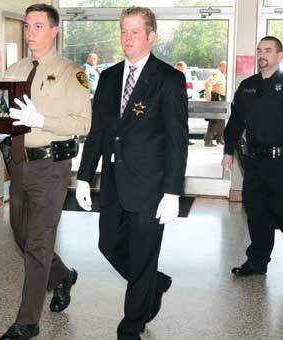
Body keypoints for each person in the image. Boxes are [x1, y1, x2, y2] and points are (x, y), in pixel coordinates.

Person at [75, 6, 188, 340]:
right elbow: (98, 132)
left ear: (151, 36)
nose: (127, 38)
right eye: (124, 31)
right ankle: (154, 282)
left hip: (151, 186)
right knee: (108, 244)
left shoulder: (168, 79)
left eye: (135, 32)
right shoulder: (109, 78)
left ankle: (132, 324)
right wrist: (83, 175)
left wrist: (172, 192)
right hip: (113, 181)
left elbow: (178, 141)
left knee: (142, 255)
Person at [0, 4, 92, 340]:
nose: (30, 32)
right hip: (19, 164)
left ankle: (27, 323)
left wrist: (42, 121)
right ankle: (62, 276)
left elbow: (84, 122)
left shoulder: (70, 73)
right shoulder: (15, 69)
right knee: (21, 236)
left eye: (38, 26)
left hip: (52, 167)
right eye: (27, 26)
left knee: (36, 244)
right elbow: (2, 111)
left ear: (54, 30)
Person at [221, 36, 283, 277]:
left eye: (268, 50)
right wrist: (228, 151)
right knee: (255, 210)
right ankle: (258, 261)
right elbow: (235, 122)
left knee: (281, 208)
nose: (262, 55)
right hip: (253, 161)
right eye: (259, 50)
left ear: (279, 56)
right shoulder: (247, 86)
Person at [204, 61, 227, 146]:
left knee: (220, 120)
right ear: (222, 67)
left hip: (220, 98)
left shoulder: (221, 74)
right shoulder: (217, 74)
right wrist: (209, 99)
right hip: (217, 98)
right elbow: (207, 83)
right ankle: (209, 139)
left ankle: (218, 138)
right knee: (215, 120)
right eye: (226, 68)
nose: (227, 70)